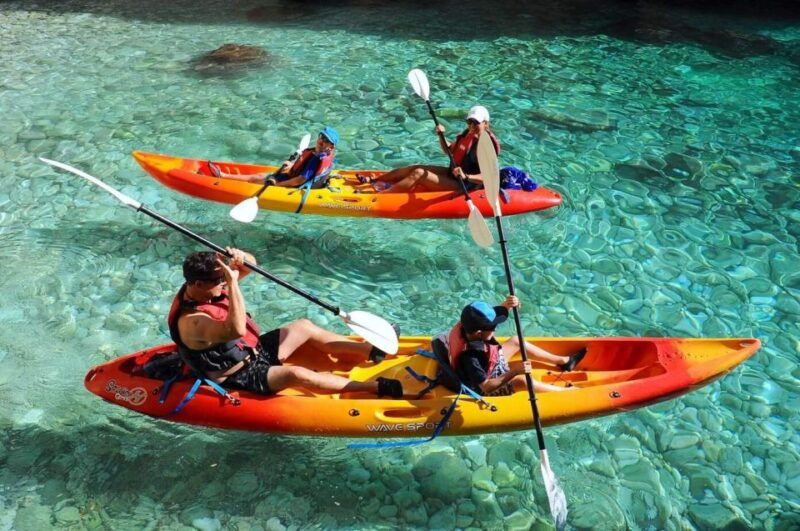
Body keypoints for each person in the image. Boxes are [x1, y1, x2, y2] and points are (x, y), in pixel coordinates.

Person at [167, 247, 403, 398]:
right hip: (239, 375)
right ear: (198, 284)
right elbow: (236, 329)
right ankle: (375, 387)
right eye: (220, 280)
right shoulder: (193, 322)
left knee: (303, 326)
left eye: (224, 278)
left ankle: (371, 350)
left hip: (253, 351)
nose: (223, 283)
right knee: (296, 374)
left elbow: (251, 265)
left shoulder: (209, 289)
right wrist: (233, 282)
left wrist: (239, 256)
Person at [436, 296, 586, 396]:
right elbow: (486, 387)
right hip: (482, 386)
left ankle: (565, 361)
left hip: (489, 364)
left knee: (516, 341)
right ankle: (568, 392)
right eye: (493, 327)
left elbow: (490, 315)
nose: (495, 329)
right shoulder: (471, 357)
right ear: (479, 333)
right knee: (522, 381)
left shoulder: (468, 323)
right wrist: (515, 371)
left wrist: (506, 305)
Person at [359, 105, 500, 193]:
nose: (472, 126)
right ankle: (374, 180)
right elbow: (449, 151)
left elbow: (490, 177)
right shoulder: (467, 135)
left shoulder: (486, 146)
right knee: (415, 168)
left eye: (476, 123)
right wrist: (441, 136)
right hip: (452, 174)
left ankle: (383, 196)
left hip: (465, 184)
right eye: (469, 121)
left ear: (485, 123)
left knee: (419, 174)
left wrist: (466, 176)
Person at [208, 126, 339, 188]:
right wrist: (292, 166)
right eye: (321, 137)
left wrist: (278, 185)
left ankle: (223, 179)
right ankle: (224, 175)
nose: (321, 141)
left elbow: (298, 181)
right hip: (294, 177)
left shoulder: (315, 160)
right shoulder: (325, 154)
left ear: (331, 146)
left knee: (256, 180)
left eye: (326, 140)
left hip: (293, 184)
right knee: (260, 175)